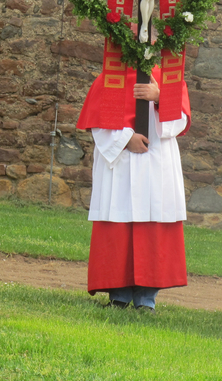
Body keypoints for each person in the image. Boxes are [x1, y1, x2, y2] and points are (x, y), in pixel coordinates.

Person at [77, 66, 191, 311]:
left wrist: (160, 98)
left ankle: (146, 299)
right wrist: (126, 139)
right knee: (117, 223)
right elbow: (99, 122)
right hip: (121, 163)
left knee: (153, 224)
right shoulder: (110, 78)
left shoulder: (168, 77)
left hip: (156, 162)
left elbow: (179, 122)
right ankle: (118, 295)